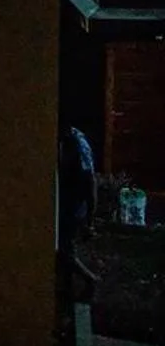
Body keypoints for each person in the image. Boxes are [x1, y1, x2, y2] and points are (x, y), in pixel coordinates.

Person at [58, 123, 99, 297]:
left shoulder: (77, 145)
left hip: (74, 204)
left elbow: (90, 183)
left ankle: (90, 279)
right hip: (69, 201)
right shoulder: (70, 138)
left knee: (65, 250)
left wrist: (90, 220)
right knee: (65, 247)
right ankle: (67, 287)